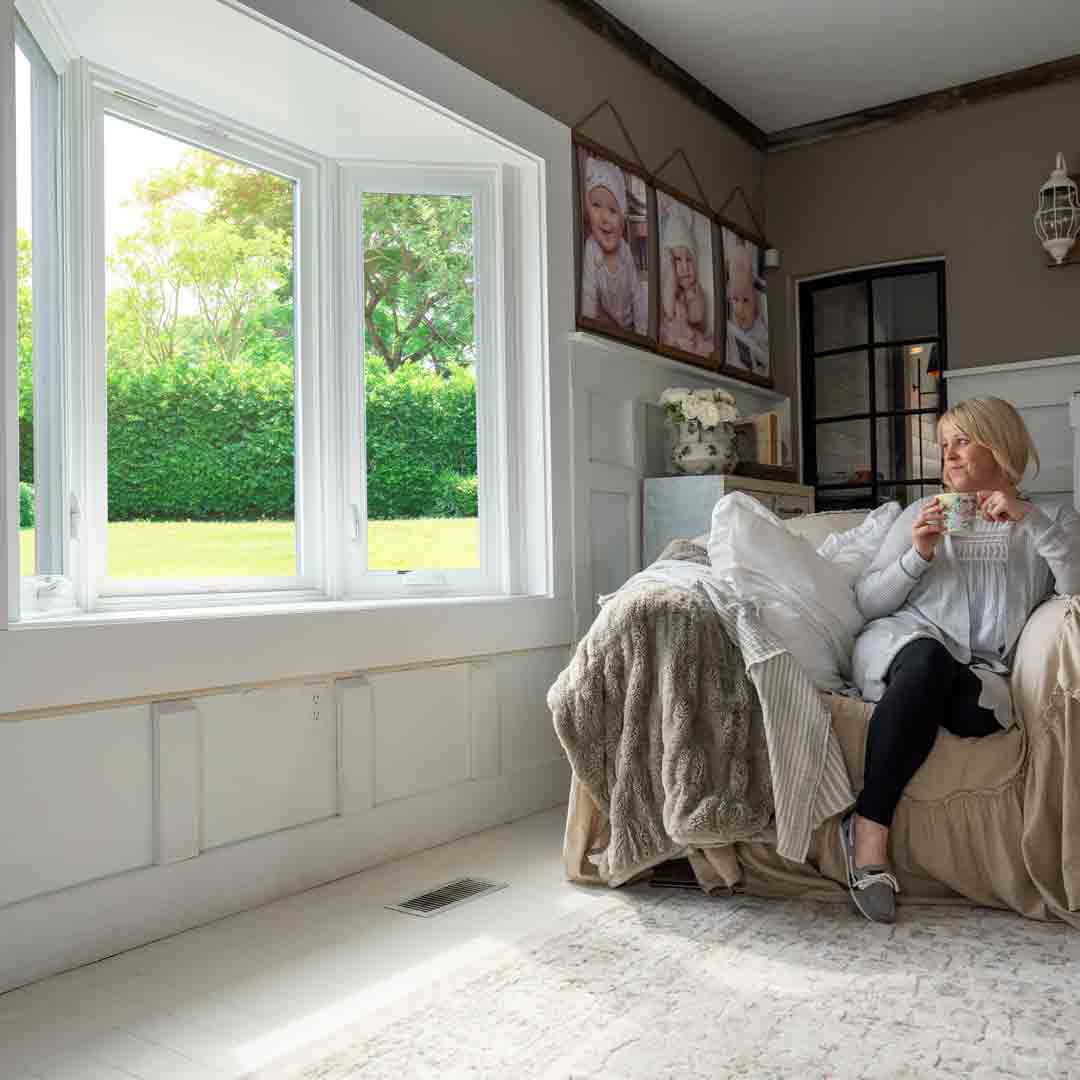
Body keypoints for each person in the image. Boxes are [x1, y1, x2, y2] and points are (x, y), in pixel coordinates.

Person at [842, 396, 1080, 923]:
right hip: (907, 645)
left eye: (962, 441)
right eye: (944, 444)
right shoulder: (918, 515)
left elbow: (1075, 587)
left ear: (999, 444)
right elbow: (867, 604)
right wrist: (918, 554)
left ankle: (884, 783)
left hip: (978, 679)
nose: (948, 455)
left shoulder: (1051, 519)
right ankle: (869, 830)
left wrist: (1029, 520)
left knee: (965, 700)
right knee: (926, 660)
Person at [579, 156, 647, 336]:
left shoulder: (625, 252)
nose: (604, 218)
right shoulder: (591, 249)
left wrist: (642, 335)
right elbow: (588, 296)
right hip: (606, 330)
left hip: (629, 329)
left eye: (612, 210)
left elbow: (637, 296)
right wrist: (589, 328)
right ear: (588, 213)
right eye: (596, 206)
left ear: (623, 221)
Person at [659, 212, 712, 357]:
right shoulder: (668, 291)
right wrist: (670, 273)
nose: (684, 267)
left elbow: (697, 317)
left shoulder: (696, 290)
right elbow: (669, 310)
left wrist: (690, 292)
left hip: (693, 341)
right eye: (677, 259)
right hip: (674, 341)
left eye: (689, 259)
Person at [725, 243, 768, 375]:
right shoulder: (730, 324)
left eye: (746, 300)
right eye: (735, 299)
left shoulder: (760, 329)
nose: (739, 309)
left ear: (756, 302)